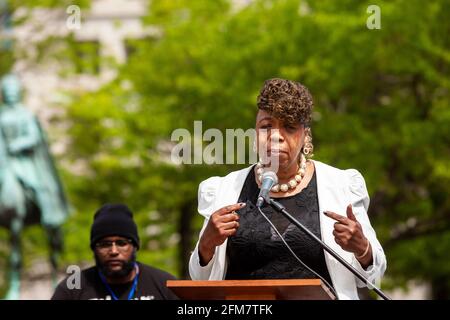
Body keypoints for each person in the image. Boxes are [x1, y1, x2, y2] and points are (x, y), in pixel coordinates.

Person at [189, 78, 386, 300]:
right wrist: (206, 244)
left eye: (289, 127)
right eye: (266, 127)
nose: (276, 136)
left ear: (305, 136)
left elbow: (373, 276)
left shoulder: (341, 186)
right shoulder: (222, 189)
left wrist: (362, 249)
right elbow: (199, 279)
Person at [52, 204, 178, 300]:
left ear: (135, 246)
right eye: (104, 244)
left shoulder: (164, 285)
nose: (113, 251)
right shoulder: (72, 287)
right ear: (94, 249)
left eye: (121, 243)